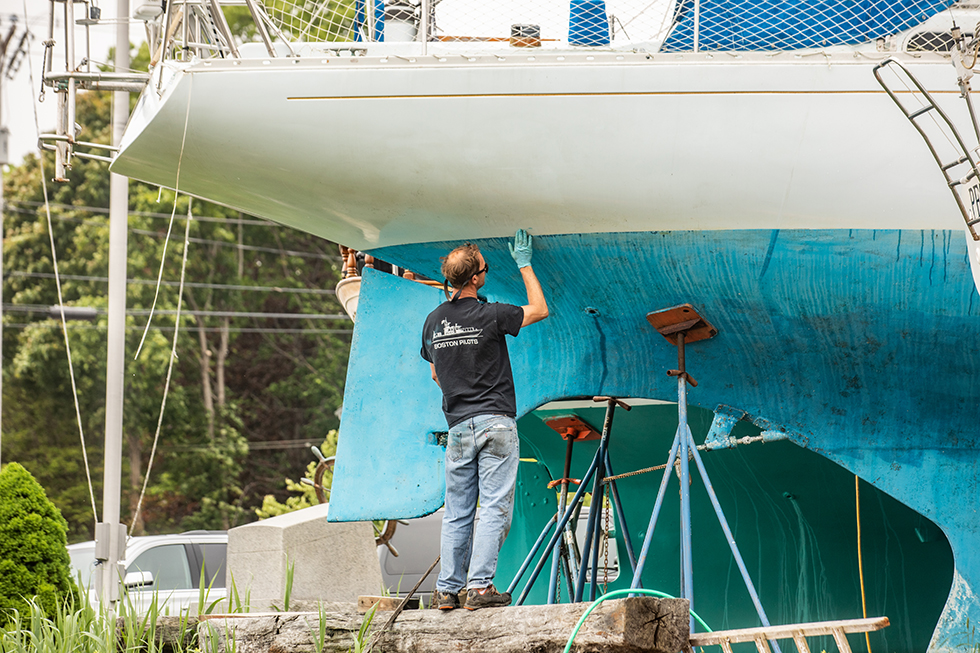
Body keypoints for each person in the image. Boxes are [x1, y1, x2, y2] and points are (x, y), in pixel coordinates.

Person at [420, 229, 549, 611]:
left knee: (458, 510)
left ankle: (448, 590)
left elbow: (434, 375)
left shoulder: (433, 322)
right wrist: (524, 263)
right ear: (476, 278)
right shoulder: (491, 314)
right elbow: (540, 309)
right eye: (486, 270)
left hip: (458, 427)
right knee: (493, 507)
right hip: (495, 424)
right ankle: (479, 588)